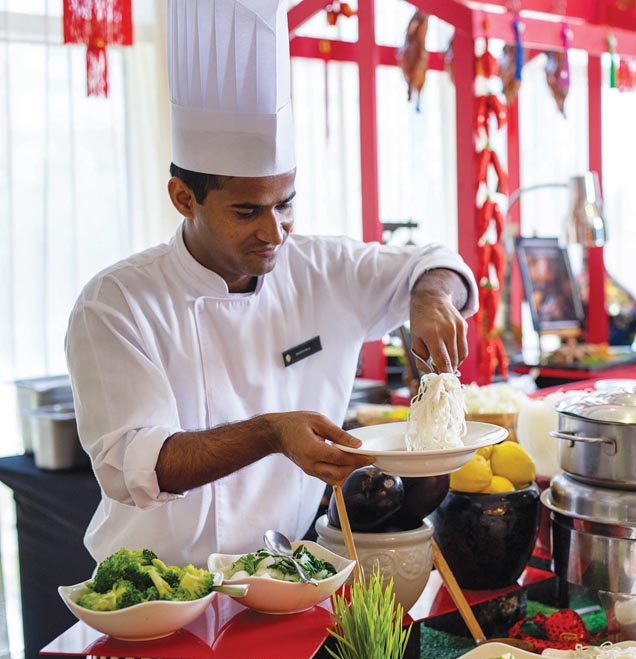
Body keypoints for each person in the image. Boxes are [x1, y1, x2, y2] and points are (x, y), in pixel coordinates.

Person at [64, 0, 477, 566]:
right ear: (185, 199)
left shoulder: (323, 269)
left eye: (286, 204)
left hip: (284, 577)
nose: (275, 231)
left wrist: (429, 297)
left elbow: (434, 261)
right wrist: (269, 433)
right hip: (154, 598)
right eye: (246, 211)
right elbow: (136, 465)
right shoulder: (117, 304)